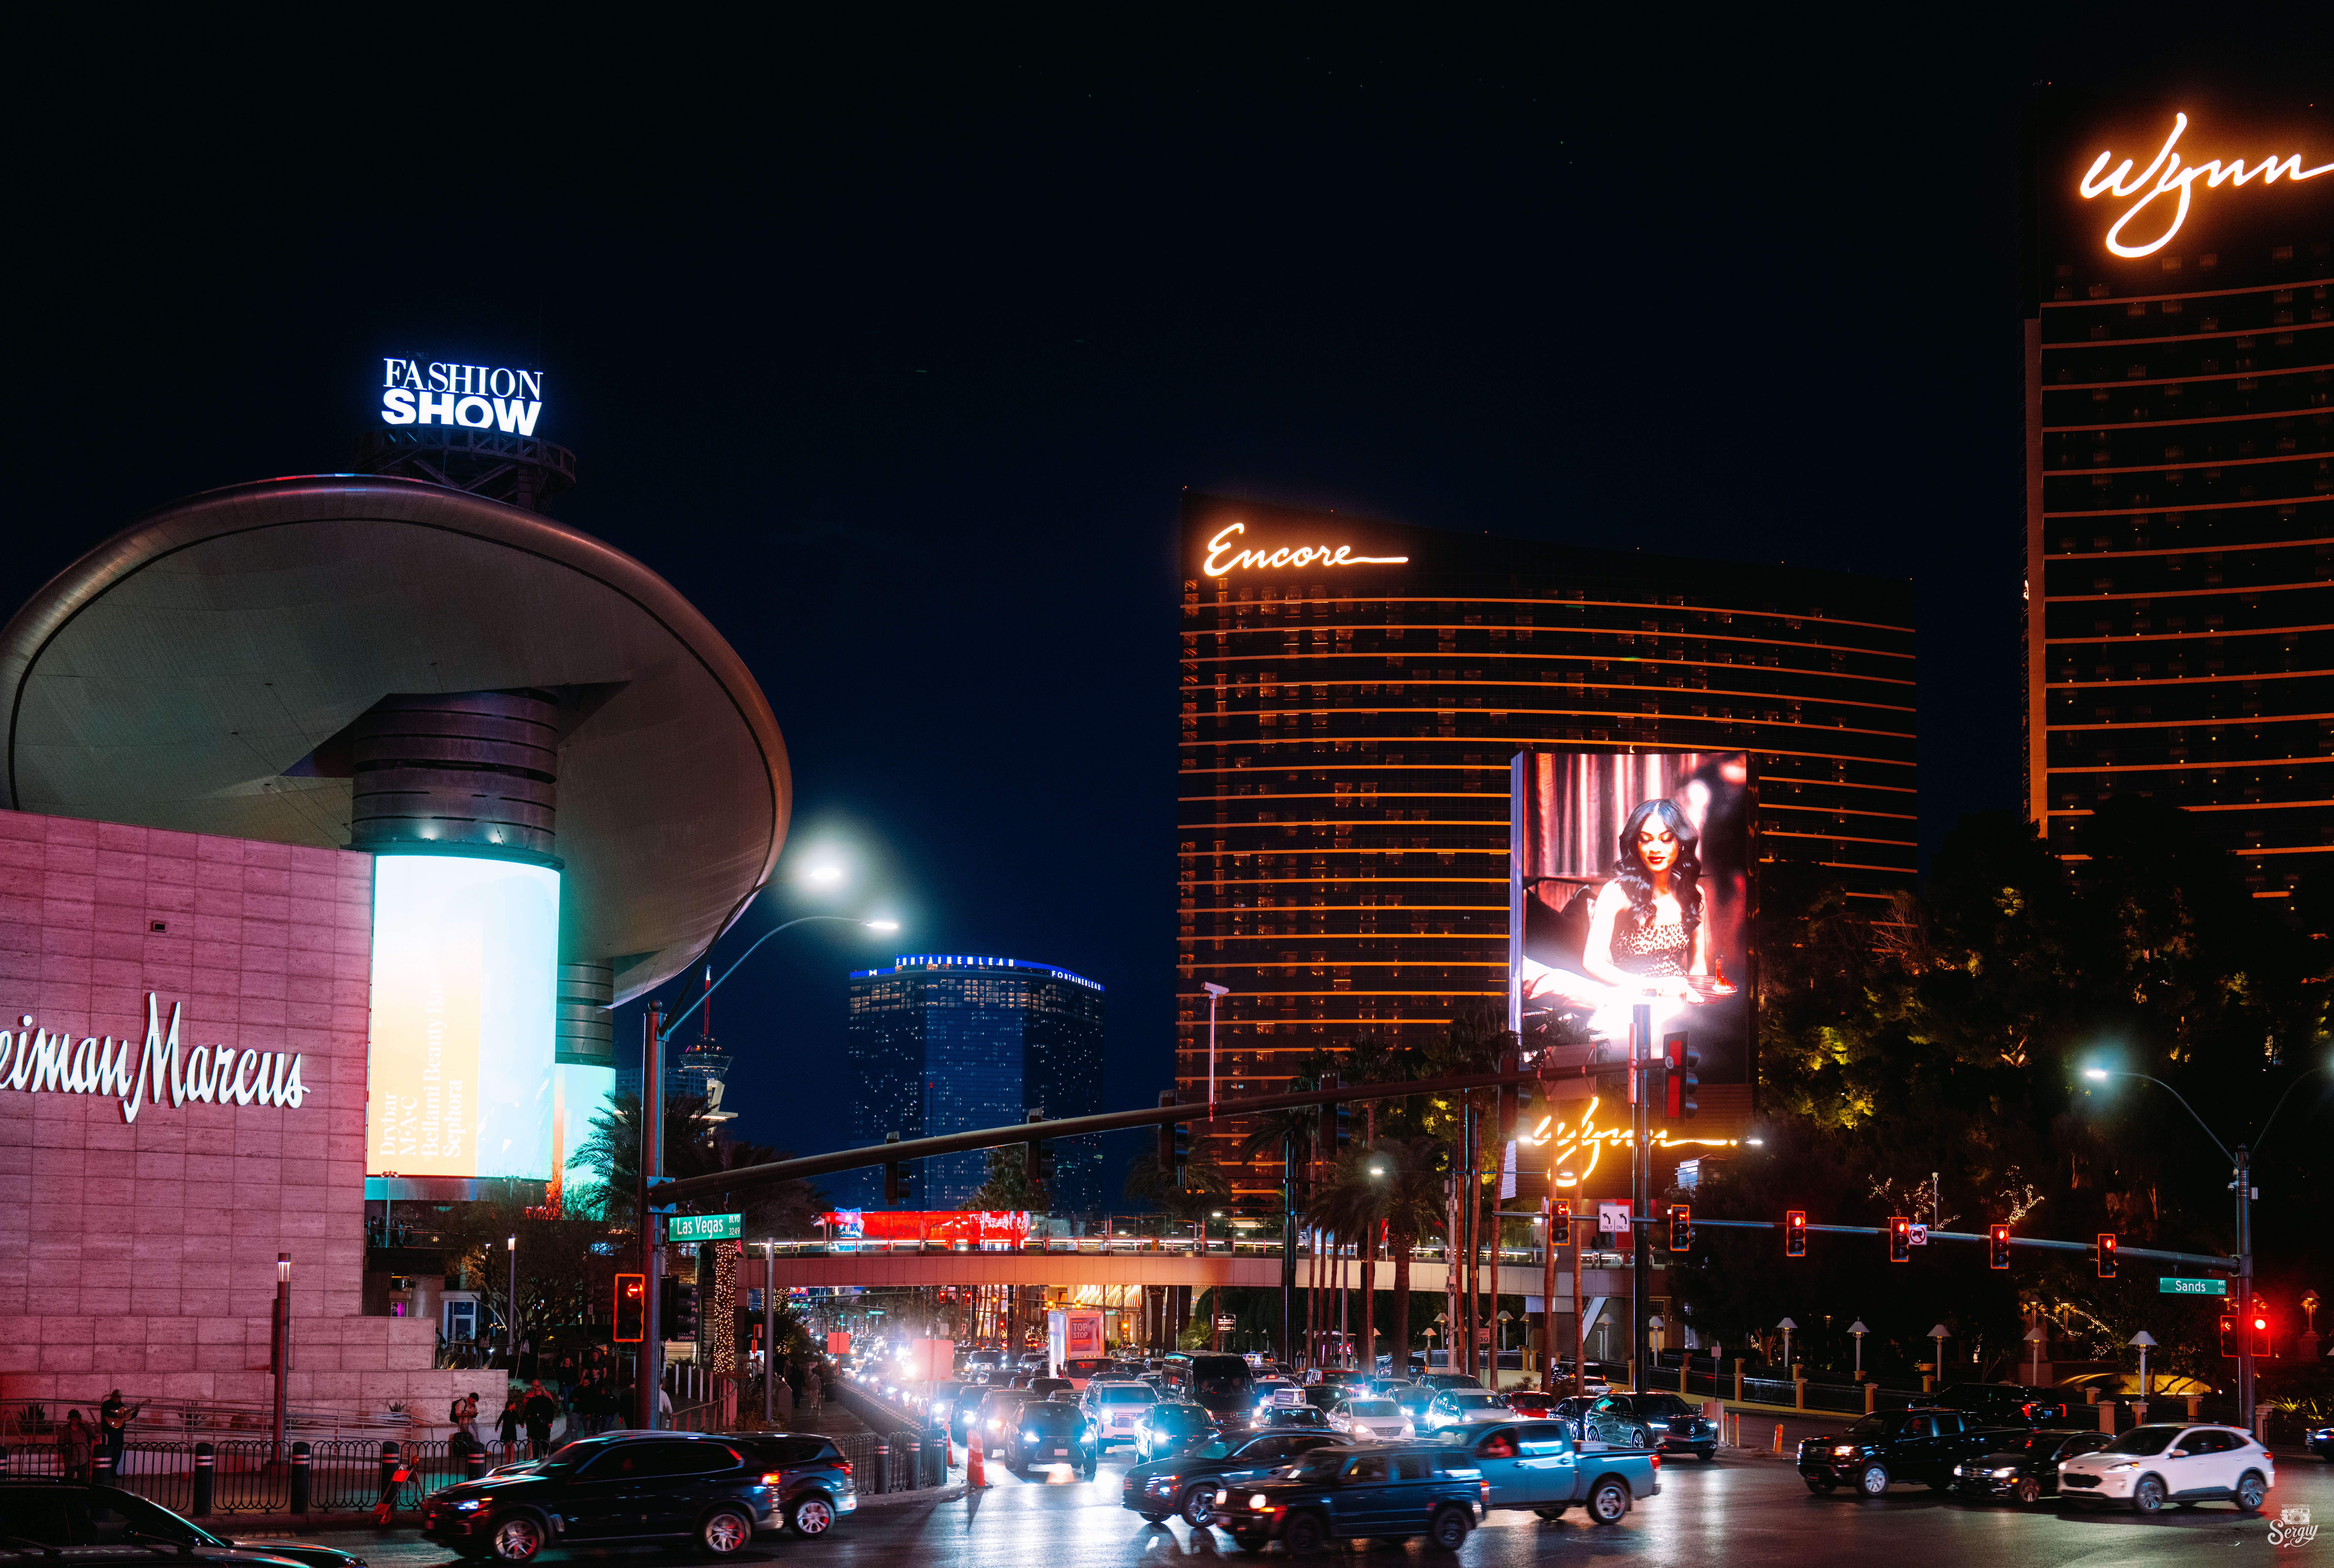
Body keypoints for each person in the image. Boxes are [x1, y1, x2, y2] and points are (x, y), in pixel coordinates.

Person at [98, 1389, 137, 1474]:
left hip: (119, 1431)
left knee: (118, 1450)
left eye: (119, 1397)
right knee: (108, 1449)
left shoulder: (123, 1407)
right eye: (116, 1396)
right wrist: (116, 1415)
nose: (117, 1398)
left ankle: (113, 1470)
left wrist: (137, 1412)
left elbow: (128, 1418)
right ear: (112, 1396)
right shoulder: (106, 1404)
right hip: (108, 1431)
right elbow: (104, 1412)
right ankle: (106, 1470)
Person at [522, 1379, 559, 1457]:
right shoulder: (532, 1401)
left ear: (542, 1391)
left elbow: (552, 1412)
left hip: (544, 1423)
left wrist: (550, 1422)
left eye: (539, 1390)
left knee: (544, 1440)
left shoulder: (547, 1400)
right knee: (535, 1442)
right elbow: (527, 1411)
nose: (537, 1391)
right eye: (536, 1390)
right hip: (534, 1423)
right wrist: (522, 1421)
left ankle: (546, 1454)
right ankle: (536, 1458)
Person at [60, 1410, 93, 1480]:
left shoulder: (84, 1427)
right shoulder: (65, 1429)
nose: (74, 1421)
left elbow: (93, 1434)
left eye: (76, 1419)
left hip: (83, 1458)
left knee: (82, 1479)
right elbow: (61, 1442)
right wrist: (67, 1450)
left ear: (79, 1419)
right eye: (72, 1419)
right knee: (68, 1479)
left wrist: (84, 1424)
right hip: (71, 1458)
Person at [497, 1393, 521, 1462]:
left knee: (512, 1445)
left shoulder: (515, 1413)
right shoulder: (505, 1413)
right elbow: (500, 1420)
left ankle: (512, 1459)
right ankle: (508, 1460)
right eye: (514, 1404)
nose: (515, 1406)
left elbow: (519, 1419)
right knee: (507, 1445)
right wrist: (497, 1427)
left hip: (513, 1430)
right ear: (511, 1405)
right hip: (506, 1430)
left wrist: (522, 1424)